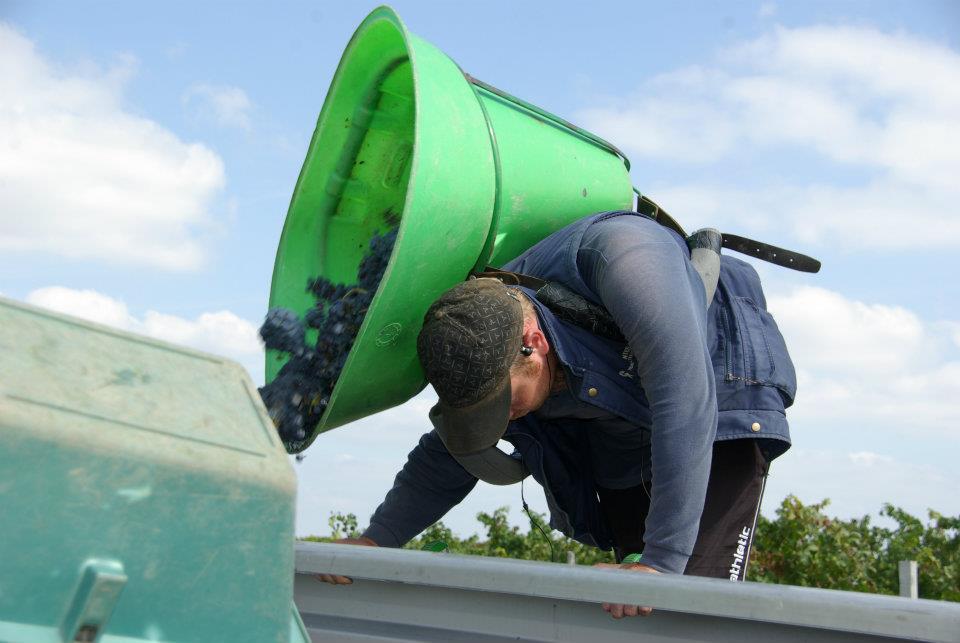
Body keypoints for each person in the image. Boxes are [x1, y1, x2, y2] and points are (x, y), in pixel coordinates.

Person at [317, 210, 797, 619]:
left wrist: (663, 564)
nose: (501, 422)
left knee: (683, 598)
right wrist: (376, 540)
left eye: (504, 405)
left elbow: (685, 399)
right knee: (629, 604)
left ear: (535, 345)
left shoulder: (628, 257)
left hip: (715, 394)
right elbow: (447, 450)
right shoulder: (483, 341)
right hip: (618, 423)